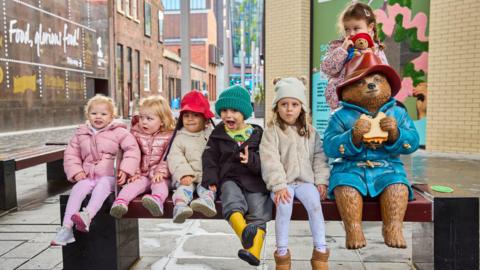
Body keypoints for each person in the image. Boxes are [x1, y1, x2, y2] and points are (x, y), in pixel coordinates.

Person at [260, 77, 330, 270]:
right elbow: (269, 159)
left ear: (302, 107)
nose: (289, 109)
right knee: (284, 204)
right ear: (276, 107)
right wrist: (279, 184)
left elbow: (319, 157)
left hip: (305, 182)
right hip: (282, 184)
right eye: (284, 104)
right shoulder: (272, 131)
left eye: (294, 104)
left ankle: (321, 253)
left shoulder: (311, 131)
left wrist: (321, 181)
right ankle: (282, 254)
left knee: (315, 205)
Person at [51, 95, 140, 246]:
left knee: (103, 184)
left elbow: (132, 150)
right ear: (88, 115)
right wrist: (76, 171)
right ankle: (66, 228)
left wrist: (125, 170)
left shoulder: (120, 132)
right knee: (78, 189)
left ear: (112, 116)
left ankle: (88, 215)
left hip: (111, 176)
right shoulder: (81, 134)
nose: (98, 117)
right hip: (88, 175)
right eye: (94, 113)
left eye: (103, 114)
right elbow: (71, 155)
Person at [202, 85, 272, 266]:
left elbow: (267, 162)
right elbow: (209, 159)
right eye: (224, 110)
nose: (228, 115)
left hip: (254, 180)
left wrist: (251, 160)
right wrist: (211, 180)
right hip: (229, 179)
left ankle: (253, 252)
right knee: (231, 199)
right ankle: (243, 232)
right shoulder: (217, 135)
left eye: (234, 110)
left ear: (244, 113)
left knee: (258, 208)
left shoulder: (257, 134)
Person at [110, 95, 175, 218]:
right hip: (142, 174)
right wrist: (135, 172)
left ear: (162, 121)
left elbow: (168, 156)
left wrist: (161, 172)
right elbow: (133, 154)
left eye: (149, 118)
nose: (143, 121)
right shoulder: (135, 133)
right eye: (141, 117)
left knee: (159, 184)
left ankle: (156, 200)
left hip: (160, 175)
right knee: (133, 185)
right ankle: (120, 203)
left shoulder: (169, 136)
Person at [321, 2, 388, 111]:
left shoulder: (376, 49)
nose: (351, 33)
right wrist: (342, 51)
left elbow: (385, 74)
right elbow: (327, 69)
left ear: (370, 27)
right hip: (342, 104)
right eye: (347, 29)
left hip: (368, 103)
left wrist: (370, 56)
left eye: (356, 28)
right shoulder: (338, 46)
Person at [167, 91, 217, 223]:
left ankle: (207, 202)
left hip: (205, 177)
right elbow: (175, 158)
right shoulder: (179, 138)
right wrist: (184, 174)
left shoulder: (211, 136)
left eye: (195, 115)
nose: (190, 119)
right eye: (186, 115)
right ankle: (180, 206)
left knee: (207, 189)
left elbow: (217, 157)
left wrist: (214, 178)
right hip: (187, 178)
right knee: (183, 189)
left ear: (205, 119)